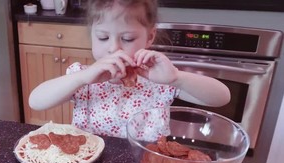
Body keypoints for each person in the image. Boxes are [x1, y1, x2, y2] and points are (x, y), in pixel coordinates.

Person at [29, 0, 231, 138]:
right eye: (102, 37)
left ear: (149, 37)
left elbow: (222, 97)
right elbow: (35, 101)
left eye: (127, 39)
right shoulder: (84, 79)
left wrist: (177, 78)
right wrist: (80, 79)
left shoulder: (160, 80)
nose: (113, 48)